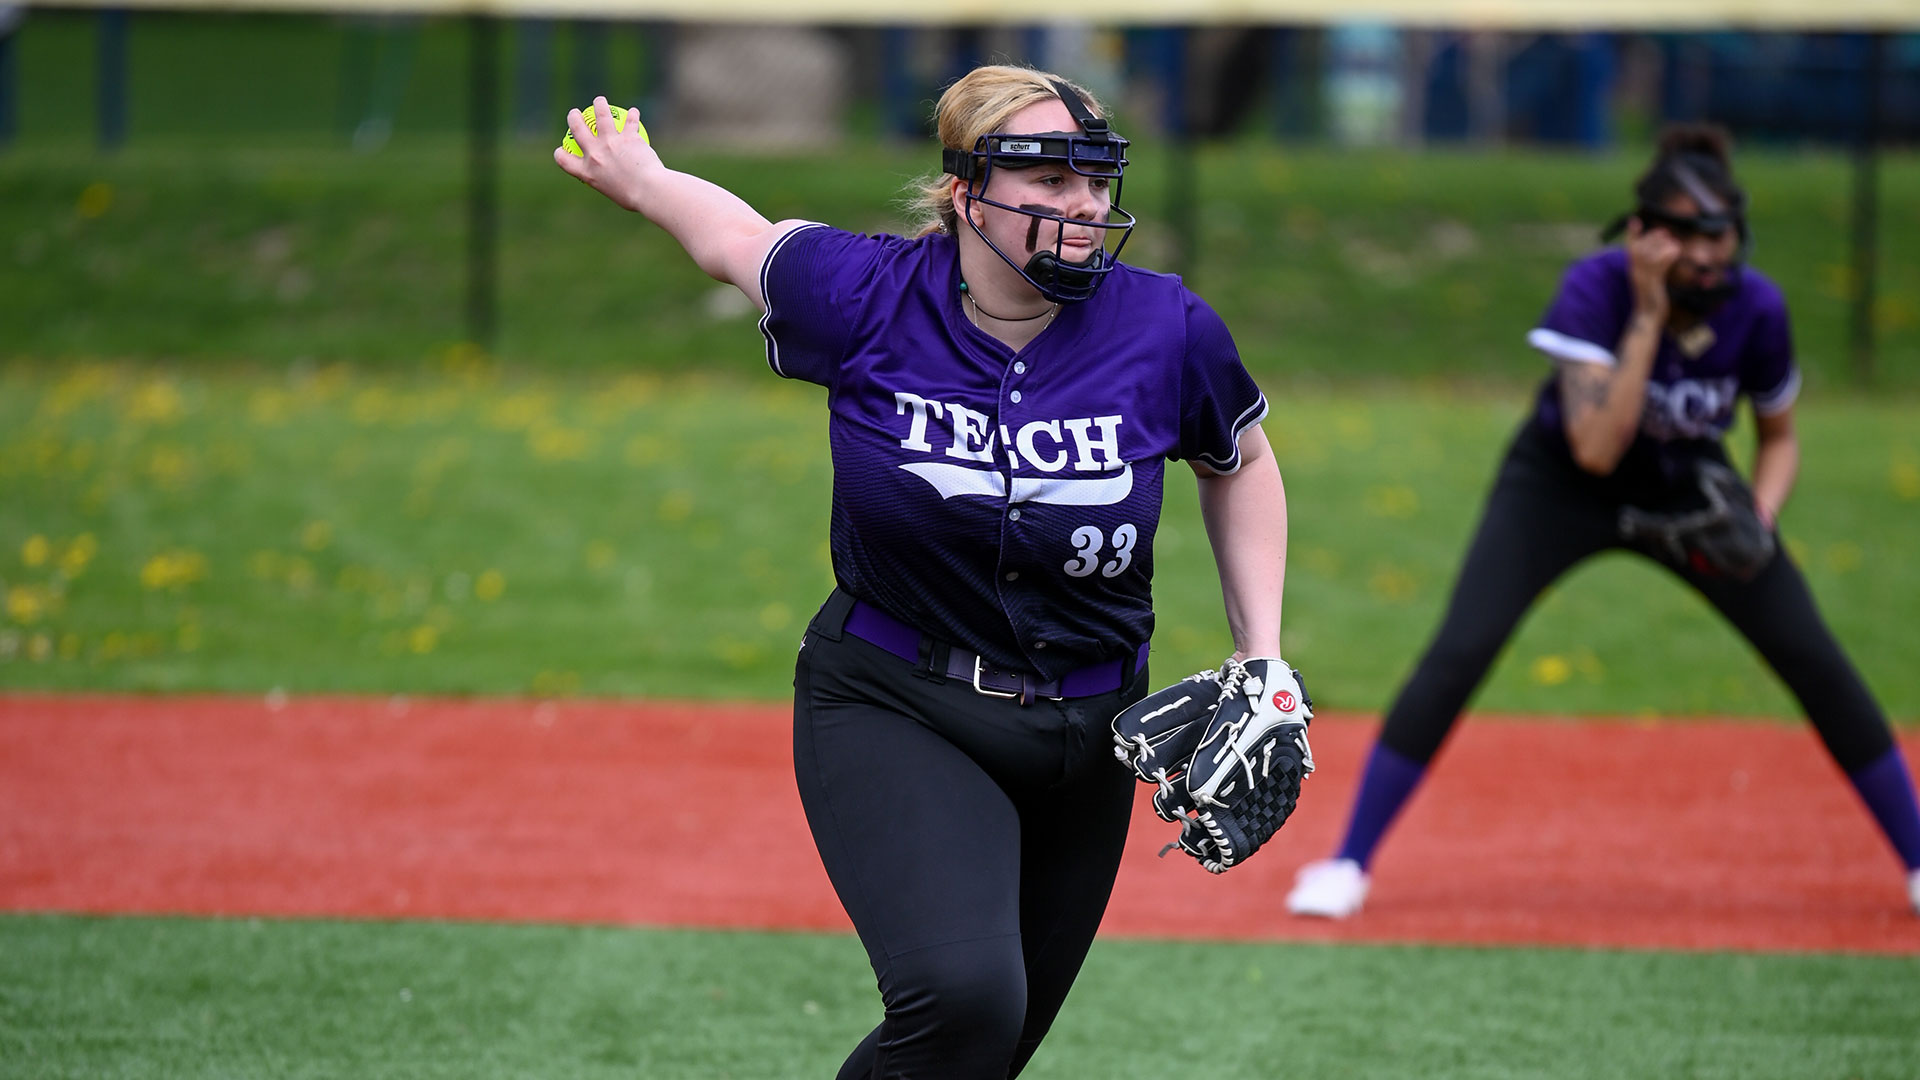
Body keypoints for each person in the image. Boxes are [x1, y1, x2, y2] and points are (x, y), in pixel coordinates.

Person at [557, 65, 1296, 1078]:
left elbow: (1238, 458)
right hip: (898, 698)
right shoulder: (864, 295)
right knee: (963, 1002)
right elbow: (737, 239)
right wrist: (644, 177)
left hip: (1091, 728)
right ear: (965, 192)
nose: (1085, 205)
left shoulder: (1166, 328)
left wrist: (1262, 655)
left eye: (1097, 180)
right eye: (1050, 179)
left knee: (987, 1049)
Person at [1284, 125, 1920, 921]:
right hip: (1560, 487)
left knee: (1812, 655)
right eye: (1686, 236)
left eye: (1721, 235)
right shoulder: (1596, 289)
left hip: (1690, 492)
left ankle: (1917, 861)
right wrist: (1648, 313)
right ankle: (1349, 861)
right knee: (1461, 650)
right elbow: (1595, 448)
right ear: (1643, 234)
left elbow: (1780, 438)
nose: (1708, 255)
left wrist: (1759, 515)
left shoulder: (1756, 307)